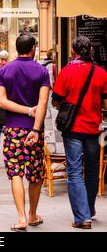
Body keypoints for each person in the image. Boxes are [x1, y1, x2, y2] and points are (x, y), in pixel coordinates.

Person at [52, 36, 107, 230]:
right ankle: (89, 210)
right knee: (92, 171)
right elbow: (105, 102)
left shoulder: (66, 71)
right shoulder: (101, 73)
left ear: (74, 52)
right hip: (94, 128)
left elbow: (56, 100)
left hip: (73, 128)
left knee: (75, 171)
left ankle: (82, 217)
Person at [0, 33, 50, 231]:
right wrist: (35, 126)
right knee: (35, 173)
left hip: (12, 129)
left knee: (16, 173)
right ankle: (33, 214)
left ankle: (21, 218)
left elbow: (2, 102)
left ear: (17, 49)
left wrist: (23, 110)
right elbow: (42, 103)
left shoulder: (6, 71)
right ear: (33, 48)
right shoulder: (41, 72)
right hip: (33, 129)